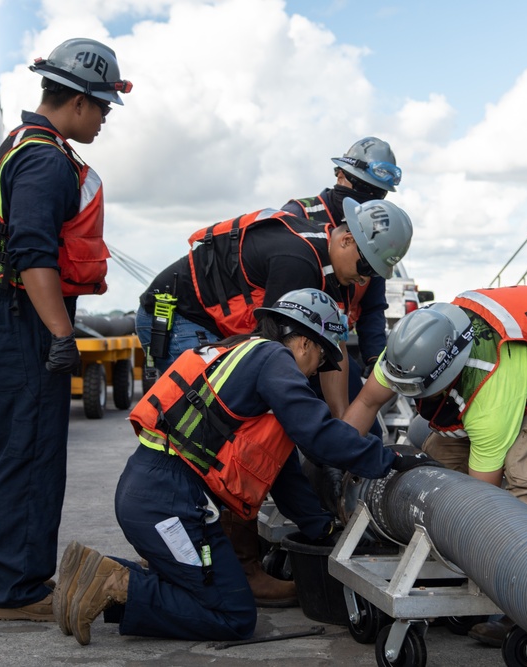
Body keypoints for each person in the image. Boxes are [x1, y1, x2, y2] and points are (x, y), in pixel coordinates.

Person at [54, 288, 433, 645]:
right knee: (232, 614)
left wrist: (322, 530)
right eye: (321, 359)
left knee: (214, 589)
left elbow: (281, 471)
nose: (317, 371)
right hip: (168, 504)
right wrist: (389, 459)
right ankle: (113, 583)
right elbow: (318, 434)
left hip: (155, 493)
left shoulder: (241, 353)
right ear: (304, 343)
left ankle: (90, 574)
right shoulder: (274, 360)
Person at [133, 200, 413, 606]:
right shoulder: (297, 265)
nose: (367, 279)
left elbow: (314, 364)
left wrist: (338, 430)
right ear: (346, 239)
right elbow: (288, 360)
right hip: (178, 315)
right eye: (367, 267)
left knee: (261, 432)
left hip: (148, 481)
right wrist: (372, 456)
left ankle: (189, 554)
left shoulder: (326, 271)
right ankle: (233, 566)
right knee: (224, 442)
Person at [0, 38, 131, 622]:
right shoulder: (47, 159)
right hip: (18, 318)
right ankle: (19, 589)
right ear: (76, 102)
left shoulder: (19, 147)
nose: (104, 118)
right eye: (102, 106)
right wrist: (61, 333)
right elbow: (32, 254)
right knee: (29, 454)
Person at [344, 285, 527, 646]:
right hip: (523, 371)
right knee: (437, 455)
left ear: (447, 374)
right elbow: (365, 402)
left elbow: (479, 505)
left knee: (524, 468)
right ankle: (450, 579)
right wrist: (337, 463)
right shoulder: (412, 350)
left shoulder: (491, 396)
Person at [282, 137, 401, 434]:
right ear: (339, 175)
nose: (366, 198)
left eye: (376, 194)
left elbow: (373, 307)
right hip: (290, 346)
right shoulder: (300, 216)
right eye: (360, 188)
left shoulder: (375, 235)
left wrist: (376, 360)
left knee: (362, 432)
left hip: (332, 348)